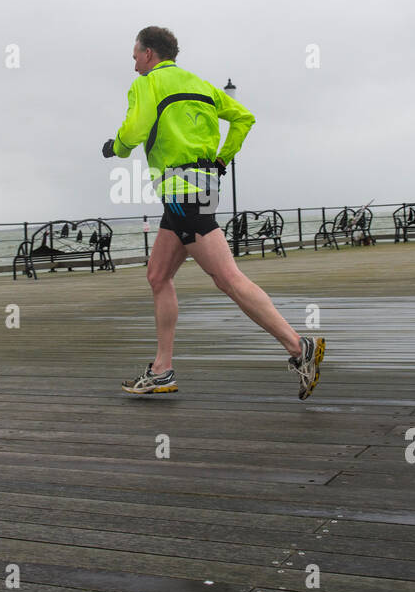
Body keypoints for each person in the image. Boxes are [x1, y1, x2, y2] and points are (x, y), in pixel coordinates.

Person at [102, 26, 325, 399]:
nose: (134, 60)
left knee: (227, 278)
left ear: (149, 54)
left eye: (136, 53)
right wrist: (223, 157)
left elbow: (136, 129)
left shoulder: (147, 84)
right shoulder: (202, 85)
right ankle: (162, 370)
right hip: (199, 189)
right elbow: (244, 118)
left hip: (182, 194)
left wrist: (117, 148)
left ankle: (298, 346)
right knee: (158, 276)